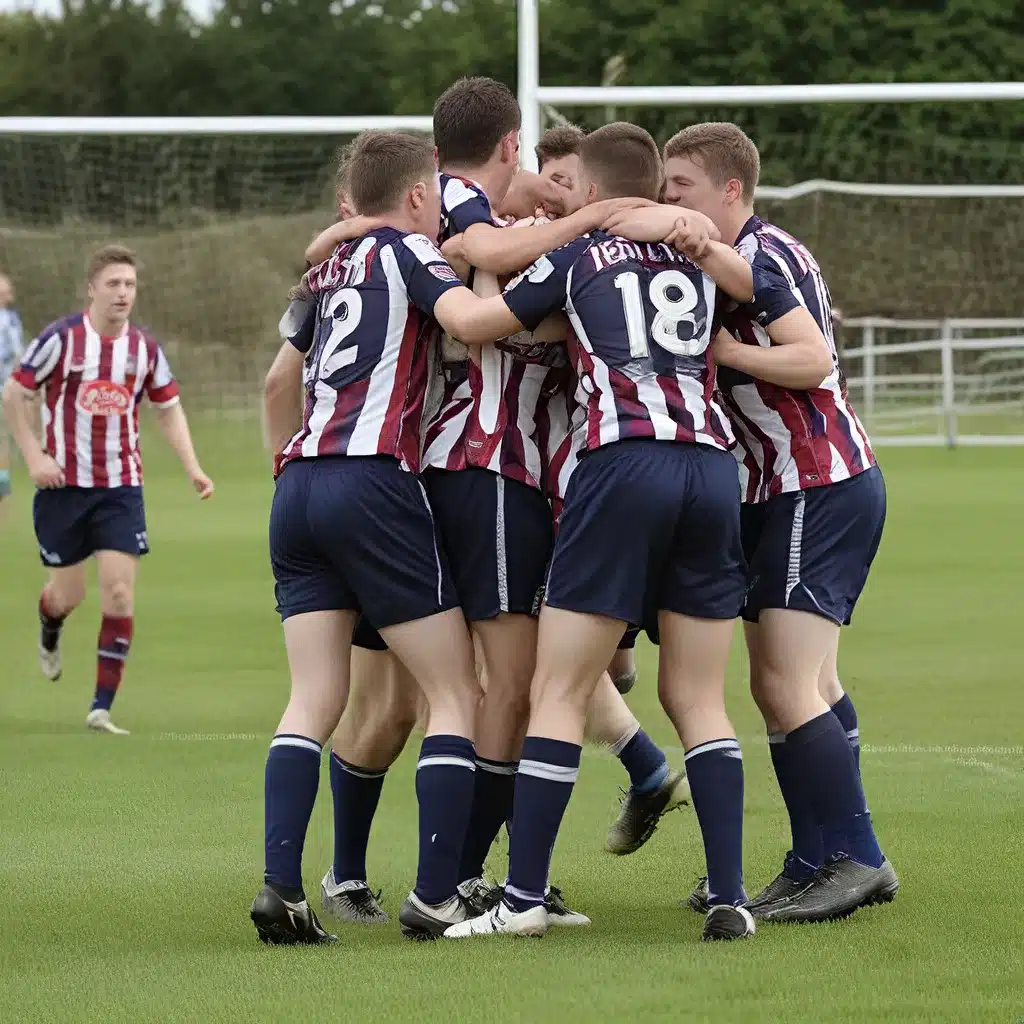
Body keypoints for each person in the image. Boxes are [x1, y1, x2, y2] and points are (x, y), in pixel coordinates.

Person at [440, 122, 758, 943]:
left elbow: (479, 324)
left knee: (558, 690)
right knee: (698, 699)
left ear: (592, 191)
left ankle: (520, 904)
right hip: (713, 470)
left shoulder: (579, 253)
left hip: (622, 466)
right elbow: (745, 281)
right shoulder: (695, 251)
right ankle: (729, 899)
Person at [254, 128, 565, 945]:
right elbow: (472, 320)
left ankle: (283, 886)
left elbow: (275, 380)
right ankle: (435, 895)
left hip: (299, 487)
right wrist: (571, 249)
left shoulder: (324, 270)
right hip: (373, 483)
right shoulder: (409, 253)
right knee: (455, 692)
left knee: (313, 698)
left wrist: (284, 471)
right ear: (421, 196)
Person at [652, 122, 898, 921]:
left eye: (681, 187)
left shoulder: (766, 255)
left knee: (784, 682)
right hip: (778, 487)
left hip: (814, 480)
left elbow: (812, 357)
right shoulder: (725, 263)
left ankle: (857, 857)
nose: (668, 201)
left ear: (731, 189)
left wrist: (727, 356)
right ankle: (811, 857)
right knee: (802, 682)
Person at [2, 246, 213, 734]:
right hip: (63, 489)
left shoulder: (144, 349)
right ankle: (50, 627)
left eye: (130, 285)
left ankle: (101, 708)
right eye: (114, 284)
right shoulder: (61, 340)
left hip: (120, 489)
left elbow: (168, 408)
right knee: (67, 594)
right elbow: (15, 392)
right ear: (92, 289)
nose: (123, 294)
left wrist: (193, 467)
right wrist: (34, 456)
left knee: (119, 591)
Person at [0, 272, 24, 504]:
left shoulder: (10, 319)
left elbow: (17, 354)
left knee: (3, 431)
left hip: (4, 384)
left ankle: (2, 478)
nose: (8, 296)